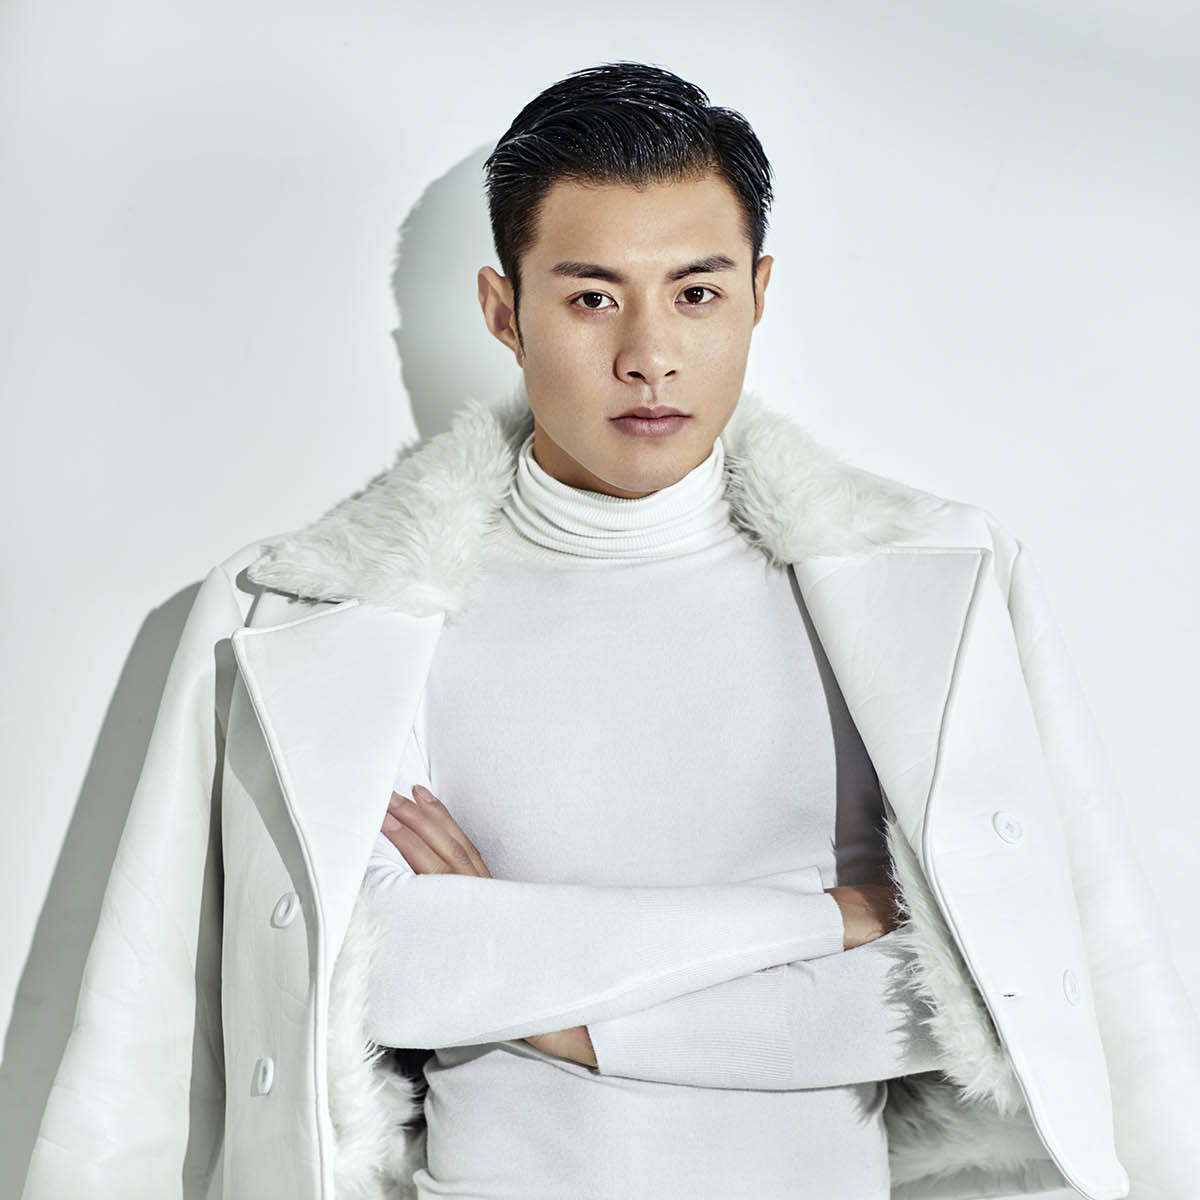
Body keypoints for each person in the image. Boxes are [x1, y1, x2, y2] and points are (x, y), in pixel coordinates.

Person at [22, 61, 1200, 1200]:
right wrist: (821, 918)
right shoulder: (331, 610)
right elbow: (392, 977)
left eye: (696, 293)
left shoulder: (931, 583)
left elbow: (975, 1000)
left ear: (758, 294)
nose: (649, 355)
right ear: (504, 311)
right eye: (592, 297)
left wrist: (525, 985)